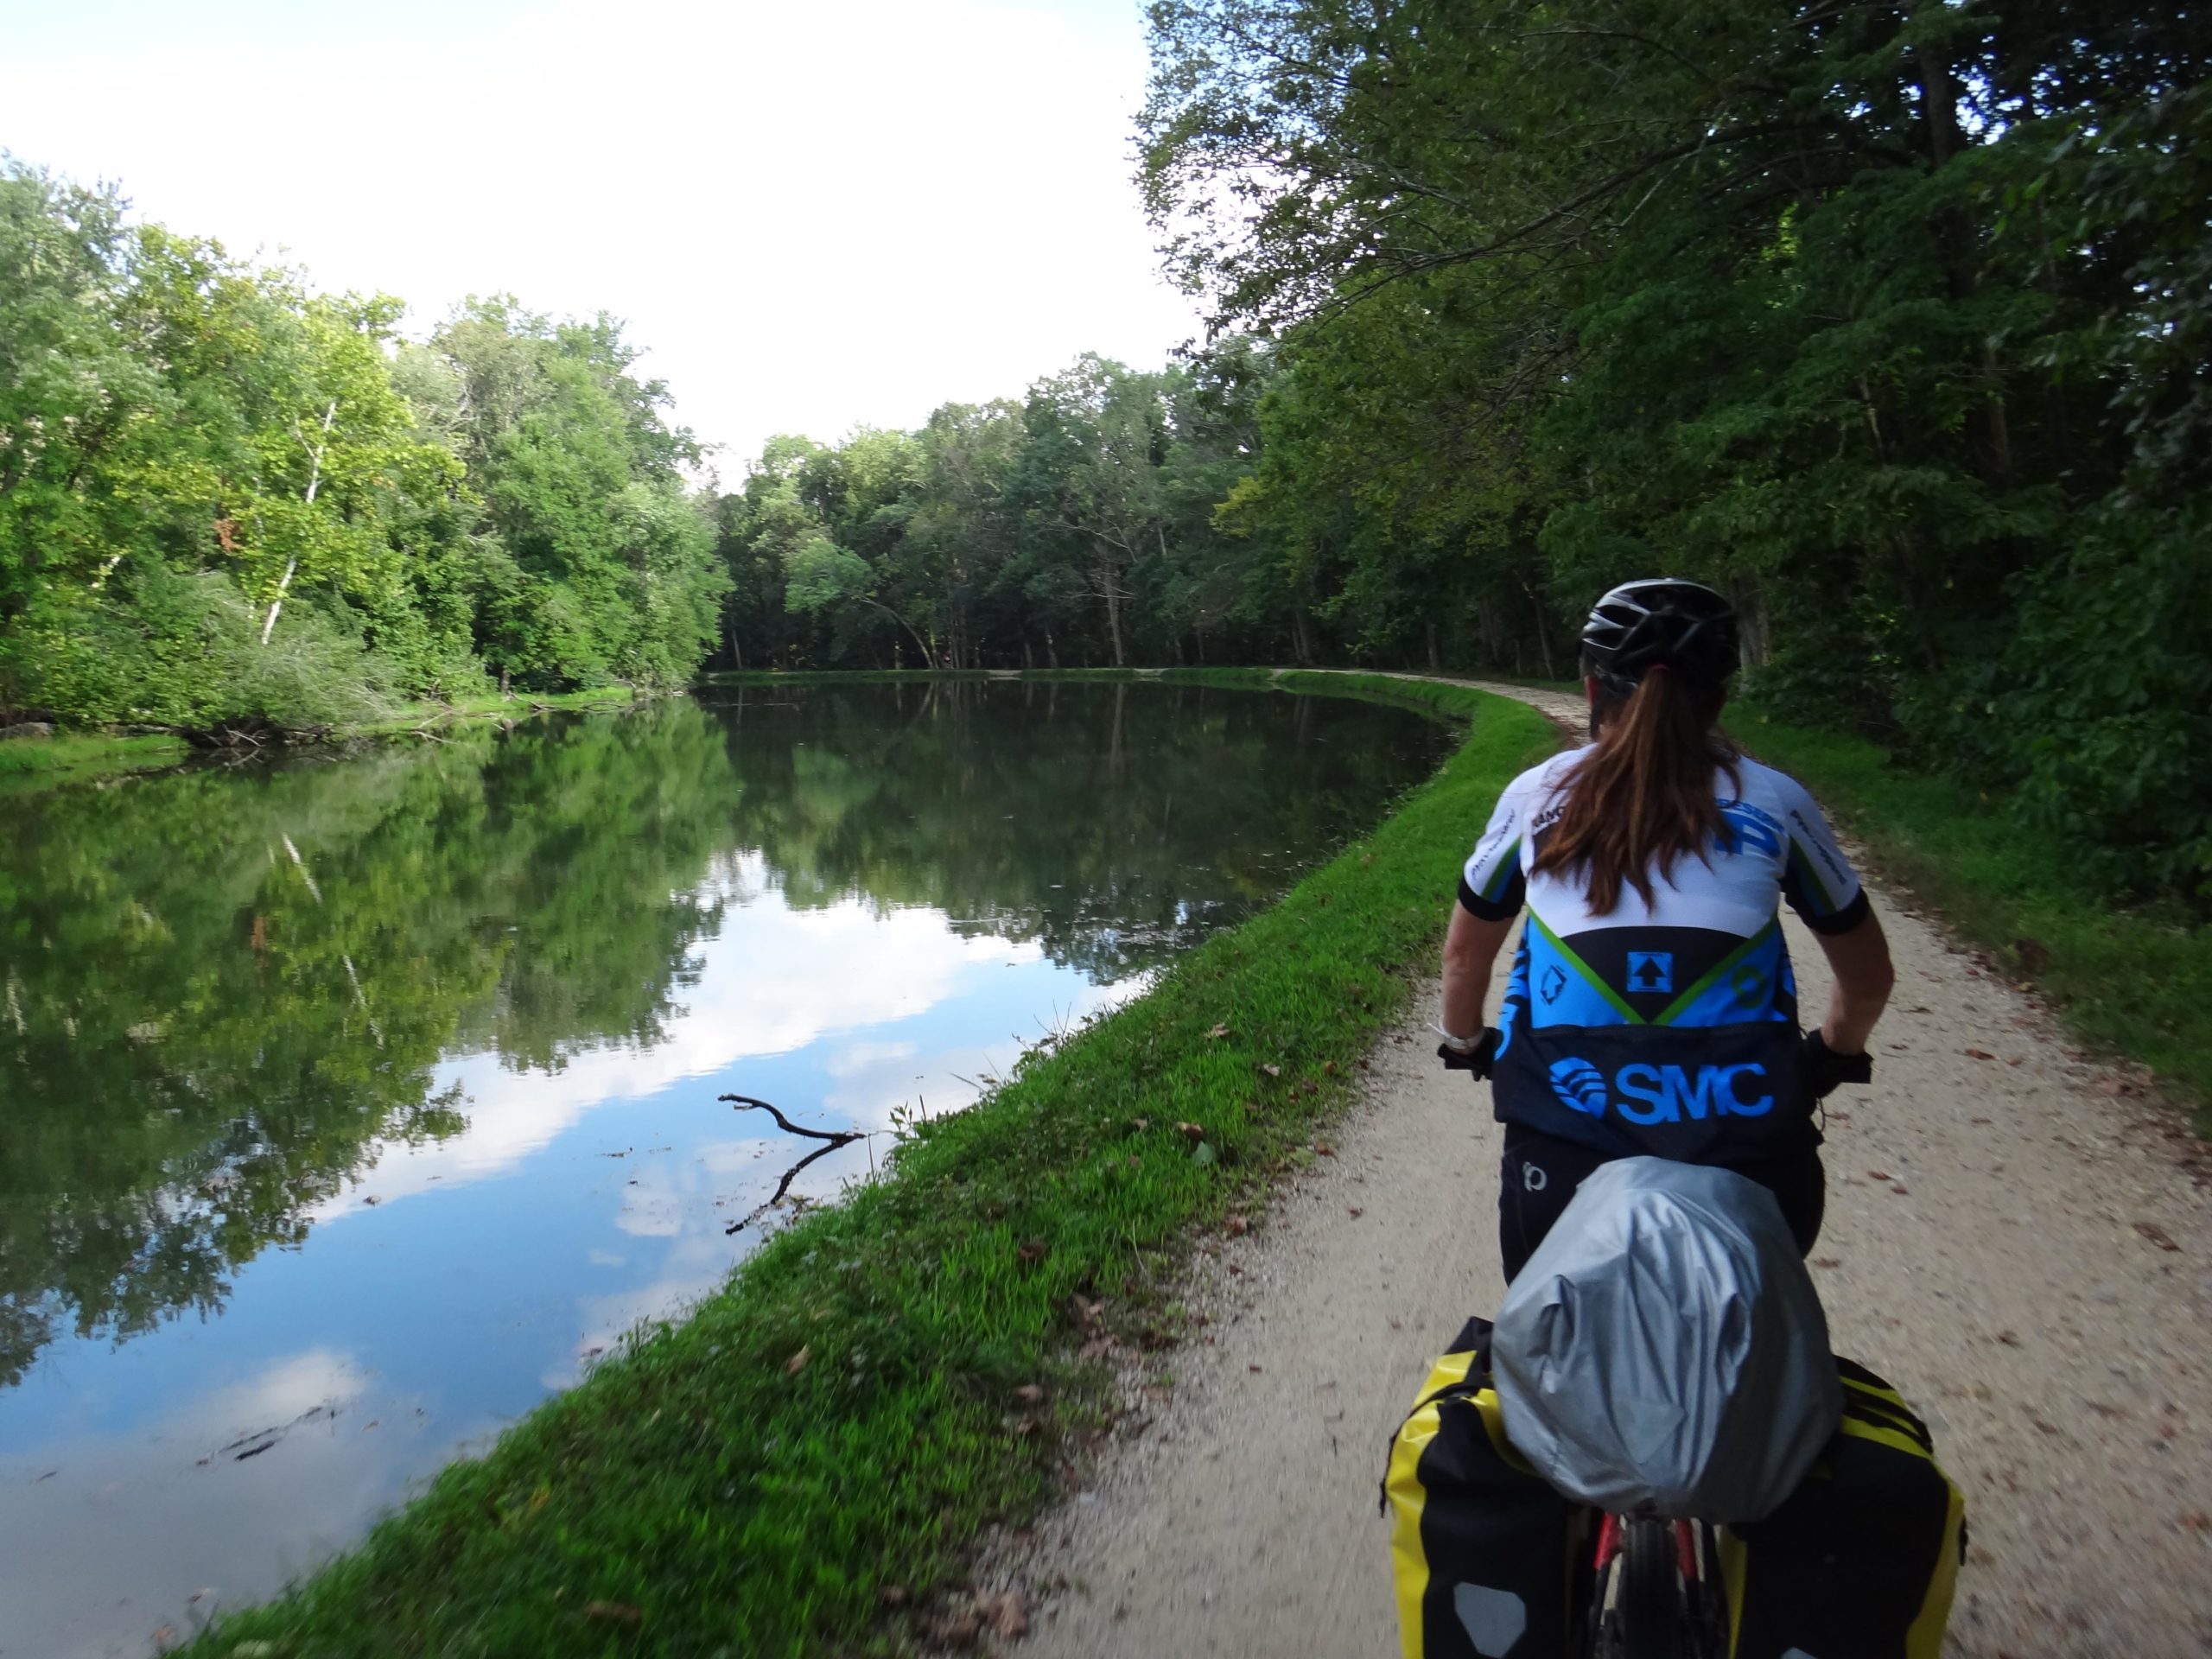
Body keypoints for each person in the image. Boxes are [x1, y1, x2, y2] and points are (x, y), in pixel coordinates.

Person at [1430, 577, 1894, 1279]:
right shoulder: (1777, 798)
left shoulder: (1535, 795)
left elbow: (1466, 955)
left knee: (1546, 1357)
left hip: (1564, 1142)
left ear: (1591, 692)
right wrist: (1830, 1055)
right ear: (1720, 696)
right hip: (1751, 1148)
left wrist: (1466, 1043)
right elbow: (1867, 977)